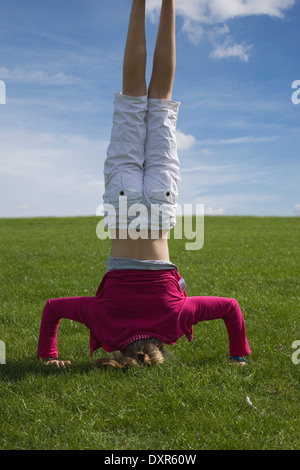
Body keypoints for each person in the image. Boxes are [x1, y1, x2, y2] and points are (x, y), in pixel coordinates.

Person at [37, 0, 251, 369]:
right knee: (133, 96)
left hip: (160, 207)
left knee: (161, 100)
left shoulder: (175, 318)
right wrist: (48, 356)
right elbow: (53, 309)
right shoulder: (106, 324)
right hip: (123, 207)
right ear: (120, 355)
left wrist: (238, 357)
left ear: (160, 352)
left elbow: (230, 309)